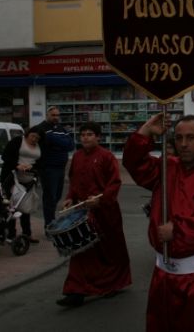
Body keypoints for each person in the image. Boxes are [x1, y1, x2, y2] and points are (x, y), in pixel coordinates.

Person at [123, 114, 194, 332]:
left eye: (191, 138)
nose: (183, 144)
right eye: (179, 138)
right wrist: (145, 131)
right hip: (164, 277)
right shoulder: (165, 168)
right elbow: (134, 164)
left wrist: (178, 229)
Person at [57, 122, 131, 307]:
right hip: (82, 212)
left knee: (110, 251)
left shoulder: (107, 157)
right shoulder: (77, 156)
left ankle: (113, 284)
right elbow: (74, 182)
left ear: (98, 137)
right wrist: (69, 197)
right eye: (83, 134)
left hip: (106, 212)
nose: (86, 138)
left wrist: (101, 200)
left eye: (90, 134)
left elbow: (114, 183)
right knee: (81, 251)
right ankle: (76, 291)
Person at [34, 106, 75, 228]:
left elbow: (70, 145)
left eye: (57, 115)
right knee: (50, 198)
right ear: (47, 115)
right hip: (48, 168)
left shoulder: (61, 128)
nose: (56, 117)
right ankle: (49, 226)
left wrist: (55, 140)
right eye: (53, 115)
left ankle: (51, 221)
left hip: (60, 168)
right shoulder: (41, 128)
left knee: (56, 196)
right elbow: (48, 142)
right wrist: (60, 141)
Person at [0, 127, 41, 243]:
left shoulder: (39, 146)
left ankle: (27, 233)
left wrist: (32, 167)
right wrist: (17, 165)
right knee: (12, 206)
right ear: (27, 134)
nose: (34, 139)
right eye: (33, 136)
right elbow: (5, 157)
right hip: (12, 177)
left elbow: (40, 162)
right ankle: (11, 234)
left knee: (25, 207)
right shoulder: (18, 141)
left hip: (28, 179)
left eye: (37, 138)